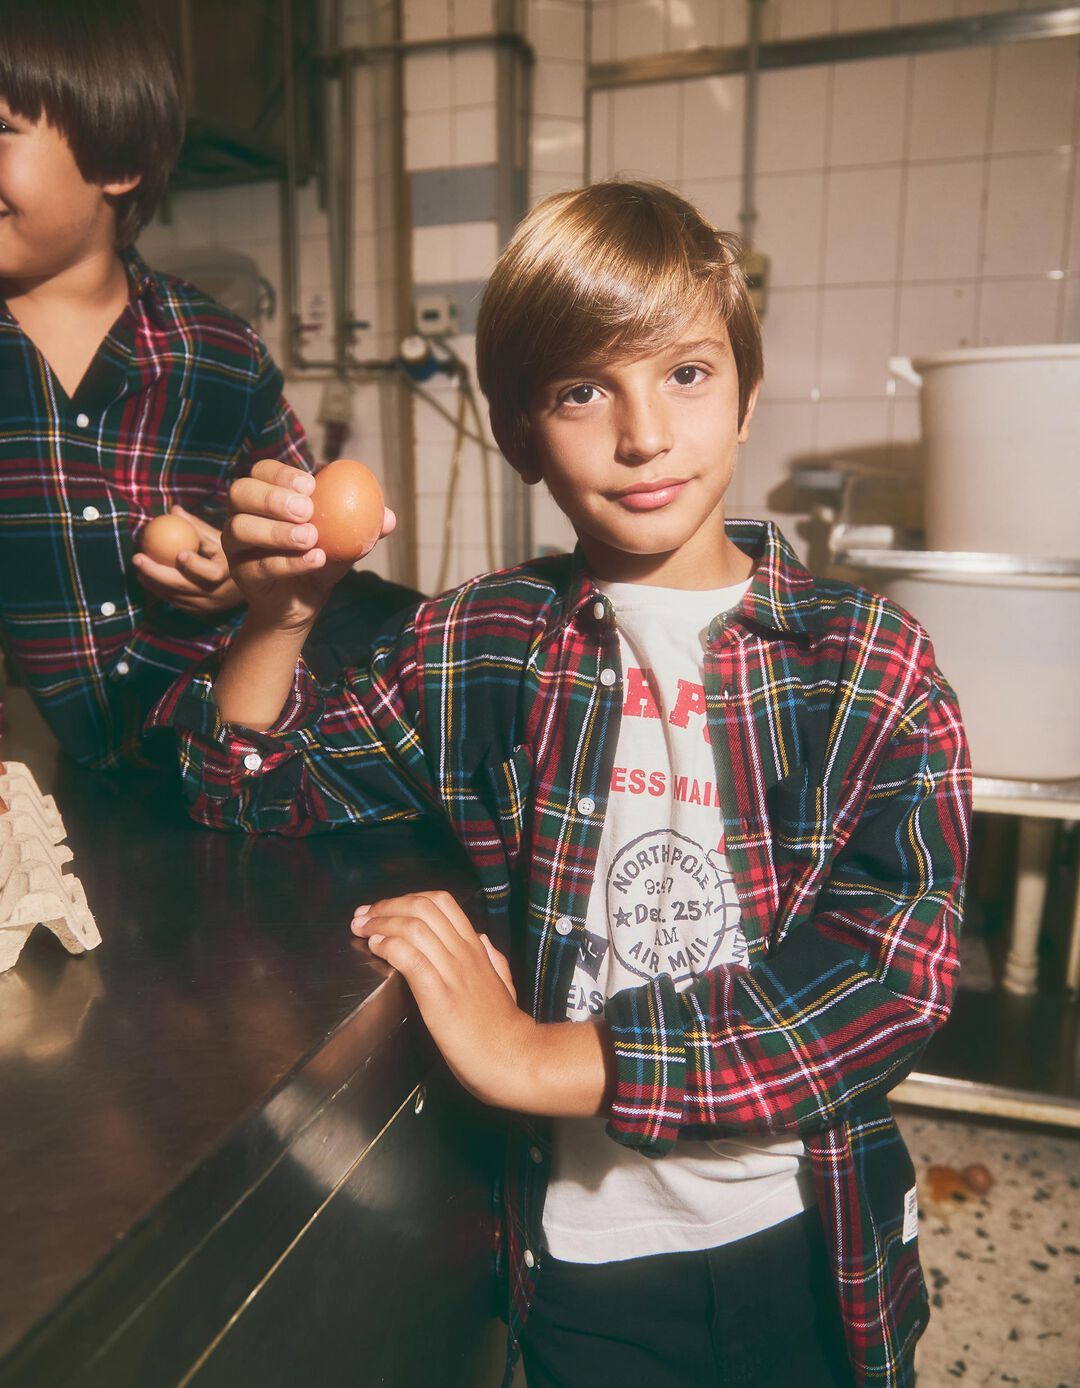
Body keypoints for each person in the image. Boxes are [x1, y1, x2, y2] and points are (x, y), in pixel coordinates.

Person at [154, 180, 971, 1388]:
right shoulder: (487, 640)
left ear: (747, 393)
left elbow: (897, 975)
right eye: (585, 390)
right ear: (524, 434)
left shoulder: (867, 664)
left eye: (686, 375)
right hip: (580, 1258)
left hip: (806, 1239)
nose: (644, 434)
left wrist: (545, 1057)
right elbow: (250, 785)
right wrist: (278, 618)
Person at [0, 0, 419, 769]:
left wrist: (241, 574)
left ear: (116, 163)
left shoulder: (221, 352)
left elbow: (307, 529)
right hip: (46, 783)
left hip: (217, 754)